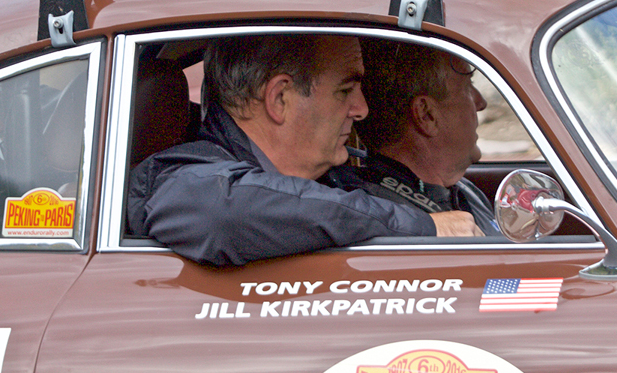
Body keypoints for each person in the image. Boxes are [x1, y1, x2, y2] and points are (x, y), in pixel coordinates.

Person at [127, 34, 480, 266]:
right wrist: (422, 229)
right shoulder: (183, 180)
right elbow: (223, 213)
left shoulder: (339, 180)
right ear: (280, 99)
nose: (362, 109)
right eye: (345, 91)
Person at [327, 40, 501, 235]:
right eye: (468, 87)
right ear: (426, 115)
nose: (481, 103)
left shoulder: (465, 191)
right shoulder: (369, 206)